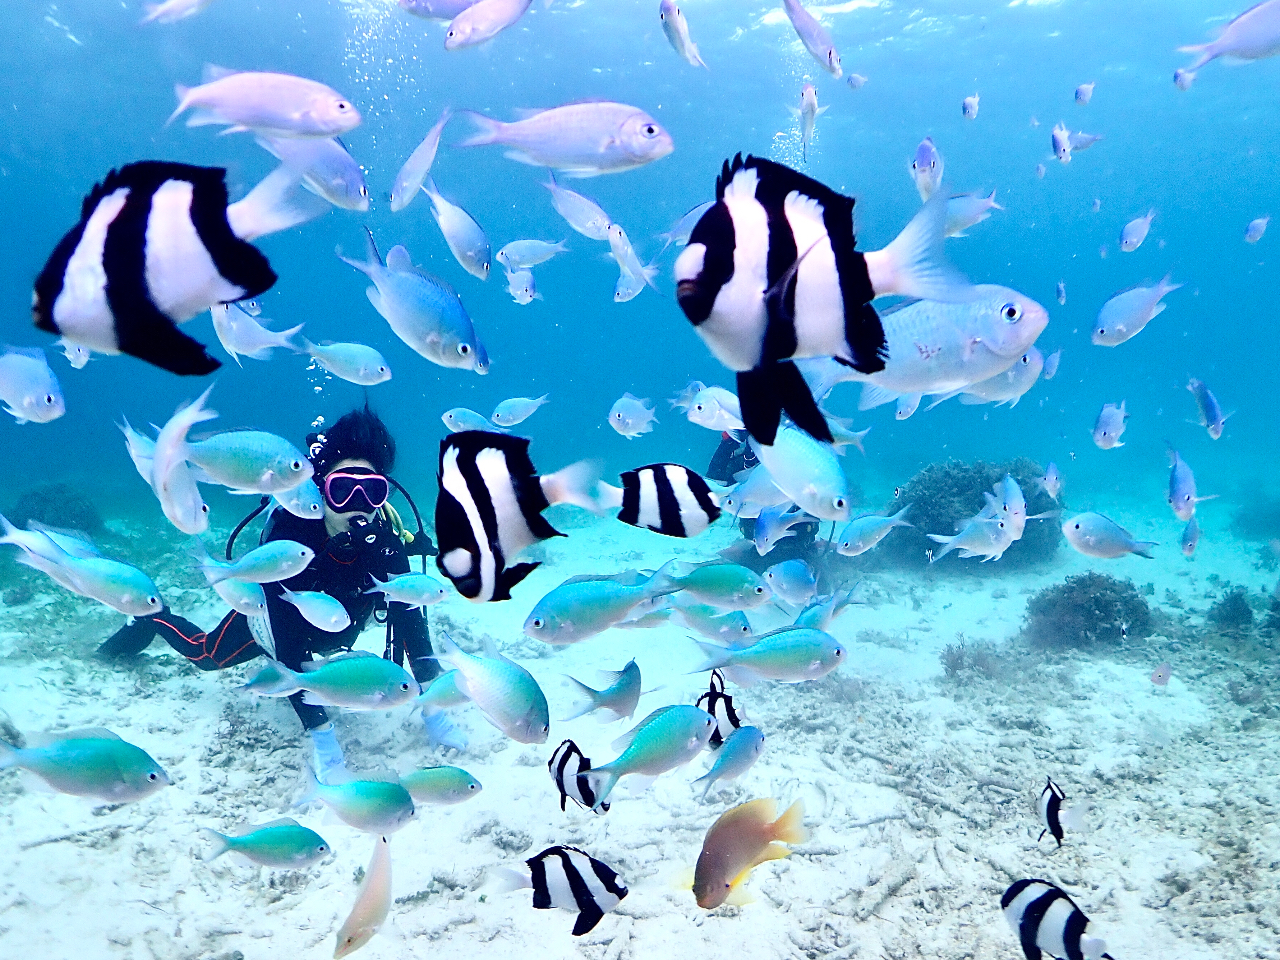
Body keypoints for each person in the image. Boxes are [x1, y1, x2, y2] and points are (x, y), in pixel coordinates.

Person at [98, 403, 458, 780]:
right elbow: (287, 647)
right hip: (271, 619)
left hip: (337, 626)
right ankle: (154, 616)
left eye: (371, 491)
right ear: (320, 488)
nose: (359, 506)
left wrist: (435, 707)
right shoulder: (290, 540)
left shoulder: (385, 542)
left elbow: (412, 626)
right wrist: (322, 735)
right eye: (342, 490)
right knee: (206, 655)